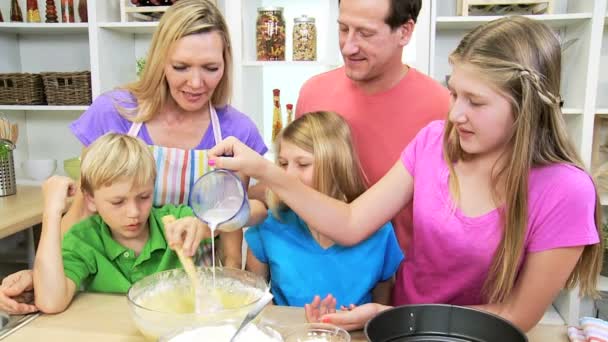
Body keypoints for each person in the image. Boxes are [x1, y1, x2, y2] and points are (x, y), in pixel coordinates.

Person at [207, 16, 603, 332]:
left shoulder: (565, 190)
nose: (455, 114)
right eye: (454, 93)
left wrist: (400, 319)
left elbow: (518, 314)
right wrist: (265, 172)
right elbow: (350, 222)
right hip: (401, 326)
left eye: (476, 101)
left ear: (528, 107)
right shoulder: (433, 143)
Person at [63, 0, 267, 270]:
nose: (196, 83)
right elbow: (81, 212)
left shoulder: (236, 131)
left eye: (210, 68)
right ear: (160, 60)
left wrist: (230, 293)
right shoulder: (113, 113)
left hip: (196, 284)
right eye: (181, 67)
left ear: (225, 63)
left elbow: (231, 239)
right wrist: (45, 275)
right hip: (107, 281)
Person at [293, 0, 451, 253]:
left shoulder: (444, 110)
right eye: (343, 29)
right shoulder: (313, 93)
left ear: (405, 31)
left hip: (405, 282)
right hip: (321, 276)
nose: (348, 46)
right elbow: (296, 188)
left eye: (365, 33)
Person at [33, 133, 208, 314]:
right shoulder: (84, 239)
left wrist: (201, 226)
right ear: (91, 199)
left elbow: (226, 225)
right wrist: (52, 213)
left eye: (144, 197)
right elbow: (50, 302)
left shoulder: (174, 220)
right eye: (118, 202)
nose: (134, 212)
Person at [245, 111, 403, 307]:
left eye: (302, 164)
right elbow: (254, 304)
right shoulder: (269, 226)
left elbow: (382, 307)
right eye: (283, 164)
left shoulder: (379, 232)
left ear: (335, 166)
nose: (288, 175)